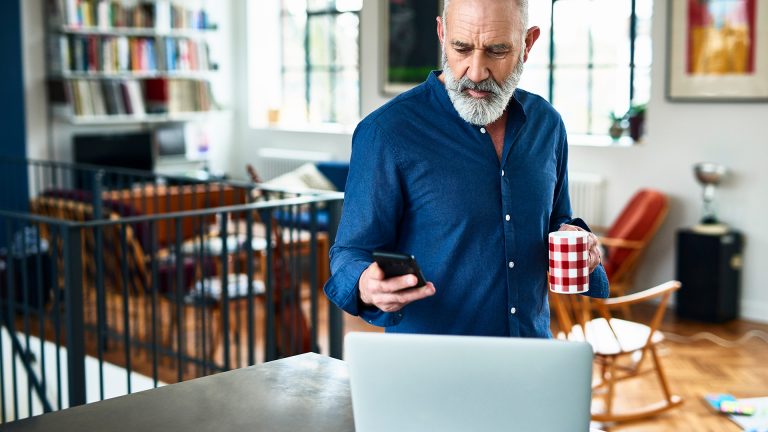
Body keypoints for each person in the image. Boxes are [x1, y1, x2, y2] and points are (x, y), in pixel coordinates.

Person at [324, 0, 609, 337]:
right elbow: (349, 251)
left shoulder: (547, 125)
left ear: (528, 44)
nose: (476, 72)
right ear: (442, 34)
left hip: (531, 355)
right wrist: (364, 283)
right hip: (433, 368)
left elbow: (557, 220)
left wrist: (579, 240)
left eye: (497, 50)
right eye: (461, 48)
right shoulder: (387, 132)